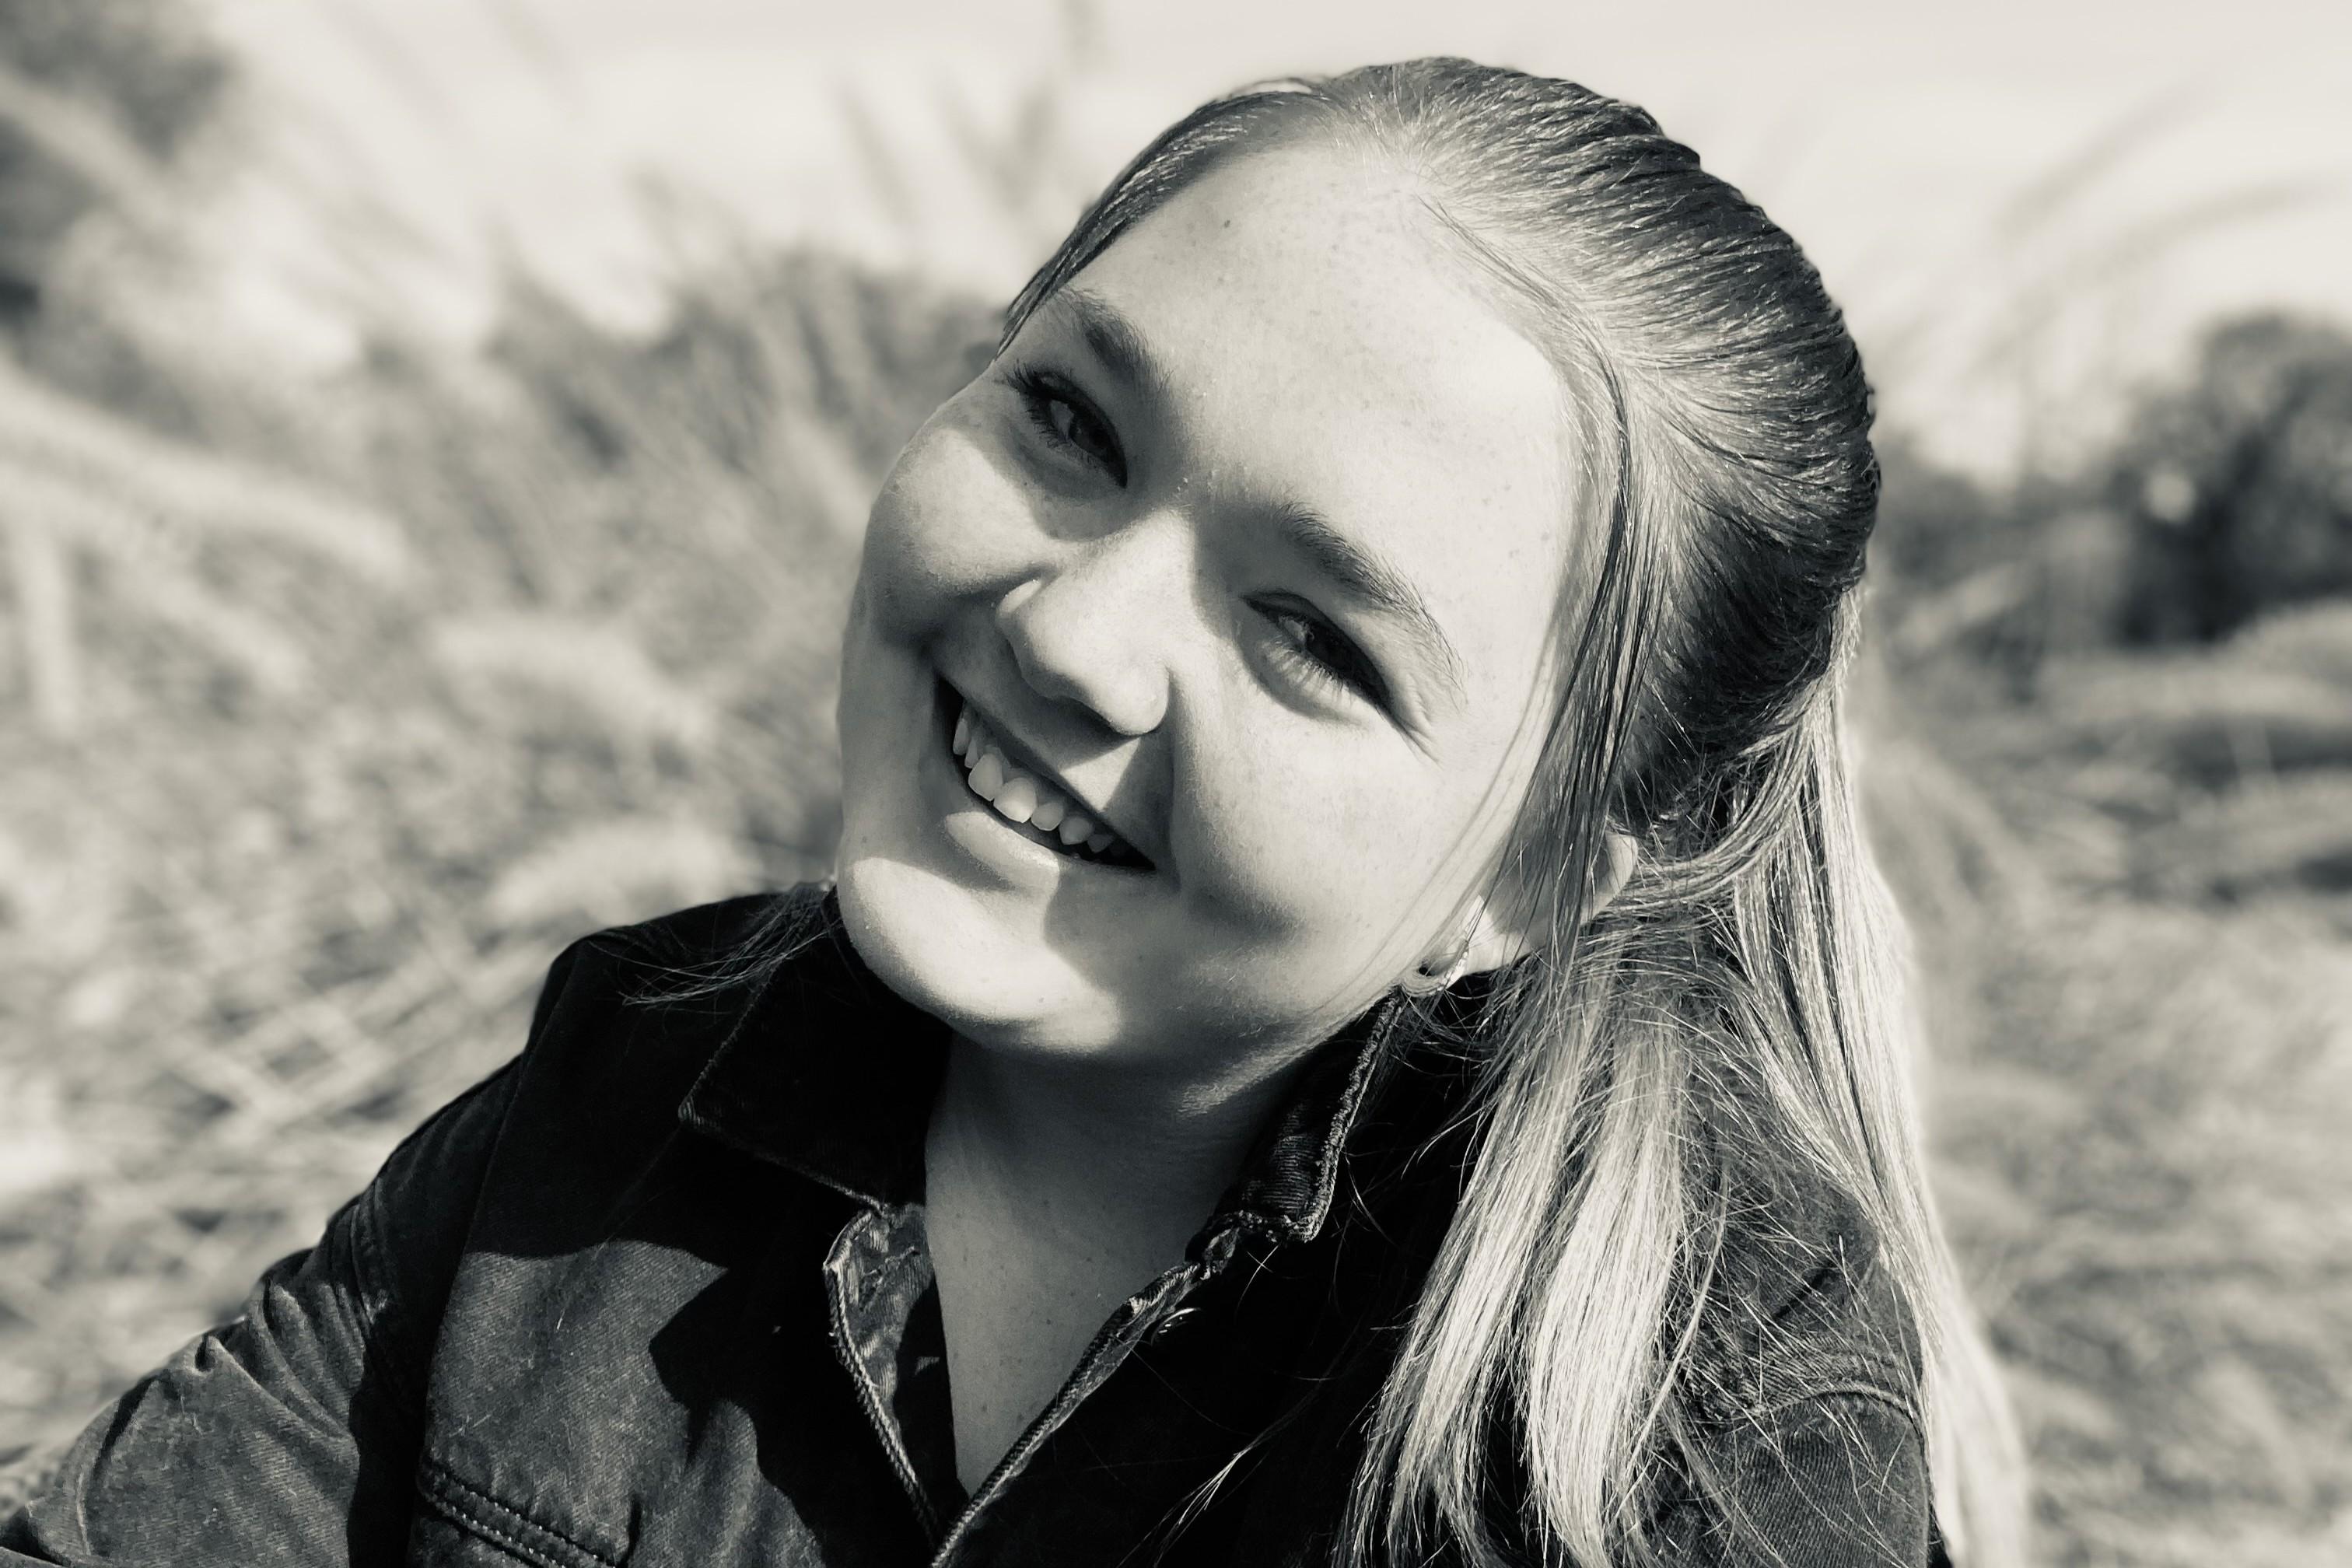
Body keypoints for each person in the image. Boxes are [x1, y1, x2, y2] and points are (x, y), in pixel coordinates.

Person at [2, 57, 2027, 1568]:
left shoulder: (1694, 1421)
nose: (1071, 630)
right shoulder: (615, 1097)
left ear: (1535, 873)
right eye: (1068, 420)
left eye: (1312, 634)